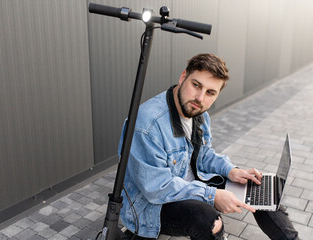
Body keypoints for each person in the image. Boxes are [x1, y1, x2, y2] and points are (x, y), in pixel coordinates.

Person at [118, 53, 299, 240]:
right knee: (210, 221)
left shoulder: (199, 114)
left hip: (189, 184)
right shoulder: (147, 124)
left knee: (257, 187)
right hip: (151, 205)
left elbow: (203, 156)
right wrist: (212, 195)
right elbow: (157, 187)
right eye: (196, 85)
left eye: (210, 93)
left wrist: (231, 170)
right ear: (183, 77)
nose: (199, 97)